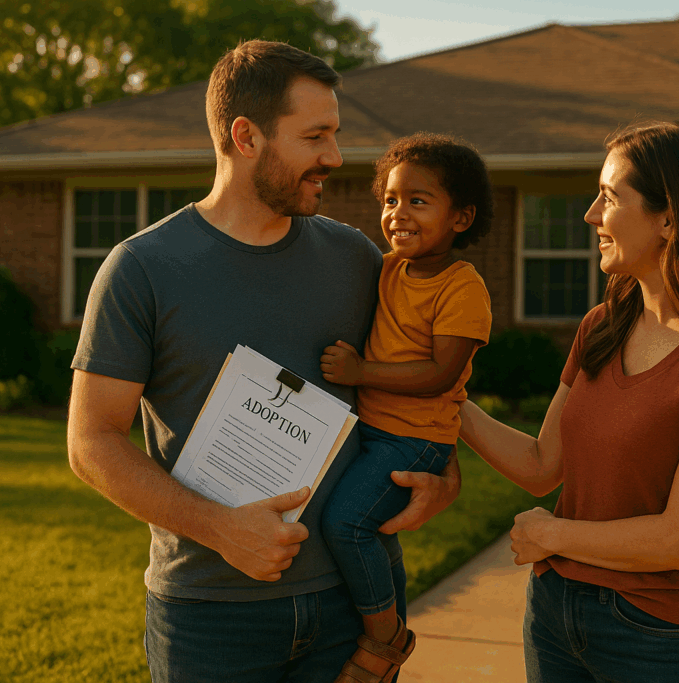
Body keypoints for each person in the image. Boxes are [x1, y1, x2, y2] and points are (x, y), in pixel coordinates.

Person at [66, 41, 461, 683]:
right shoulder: (142, 269)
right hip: (210, 618)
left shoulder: (357, 260)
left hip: (348, 608)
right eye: (315, 137)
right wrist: (220, 528)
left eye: (334, 136)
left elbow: (426, 386)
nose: (334, 158)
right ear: (245, 137)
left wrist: (445, 479)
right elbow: (91, 441)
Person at [457, 120, 679, 683]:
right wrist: (445, 399)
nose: (591, 215)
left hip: (659, 636)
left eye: (609, 198)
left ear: (670, 217)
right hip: (556, 612)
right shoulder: (604, 325)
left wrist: (553, 535)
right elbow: (543, 465)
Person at [317, 133, 494, 683]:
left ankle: (382, 637)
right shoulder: (390, 268)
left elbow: (441, 373)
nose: (398, 214)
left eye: (419, 201)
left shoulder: (462, 286)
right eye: (391, 200)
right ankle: (394, 622)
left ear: (461, 217)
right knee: (379, 530)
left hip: (415, 439)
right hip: (373, 429)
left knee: (346, 525)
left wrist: (360, 372)